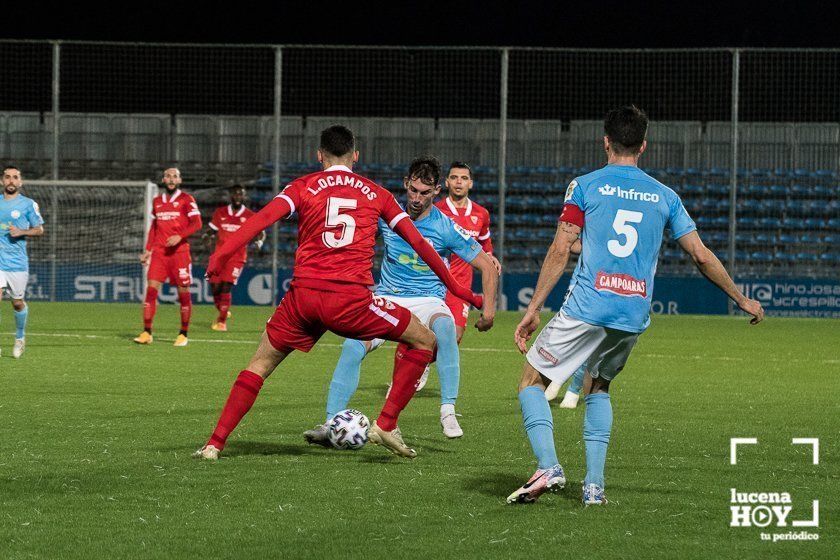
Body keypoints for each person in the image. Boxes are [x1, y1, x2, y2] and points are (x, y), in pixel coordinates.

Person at [506, 105, 764, 506]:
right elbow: (700, 255)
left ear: (605, 141)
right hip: (632, 314)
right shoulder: (665, 195)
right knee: (599, 385)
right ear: (644, 145)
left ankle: (548, 465)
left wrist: (533, 307)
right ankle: (594, 488)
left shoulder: (585, 186)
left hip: (587, 306)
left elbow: (561, 247)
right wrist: (741, 297)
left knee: (531, 381)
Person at [193, 126, 482, 461]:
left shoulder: (301, 187)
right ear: (355, 156)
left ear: (319, 156)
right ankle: (386, 423)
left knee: (259, 364)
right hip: (351, 302)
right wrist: (460, 290)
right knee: (423, 340)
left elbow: (261, 220)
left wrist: (220, 255)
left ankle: (215, 443)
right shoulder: (376, 194)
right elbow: (419, 244)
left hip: (302, 299)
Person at [303, 156, 497, 443]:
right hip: (387, 298)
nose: (417, 199)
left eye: (425, 192)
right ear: (406, 184)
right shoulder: (388, 213)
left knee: (445, 328)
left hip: (428, 300)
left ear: (436, 193)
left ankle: (448, 410)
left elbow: (487, 265)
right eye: (413, 190)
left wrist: (489, 312)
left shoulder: (445, 227)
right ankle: (331, 422)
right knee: (352, 346)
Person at [133, 168, 202, 347]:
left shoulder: (187, 200)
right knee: (151, 291)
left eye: (175, 176)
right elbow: (155, 227)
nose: (171, 179)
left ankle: (183, 333)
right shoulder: (157, 201)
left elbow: (197, 223)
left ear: (180, 180)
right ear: (163, 179)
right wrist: (148, 250)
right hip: (160, 253)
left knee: (183, 294)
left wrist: (180, 236)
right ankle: (147, 332)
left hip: (180, 254)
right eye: (168, 176)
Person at [434, 162, 498, 344]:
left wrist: (490, 256)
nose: (458, 182)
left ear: (470, 183)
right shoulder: (436, 210)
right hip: (434, 284)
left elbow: (485, 242)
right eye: (454, 177)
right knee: (426, 335)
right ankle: (422, 369)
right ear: (446, 182)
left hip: (461, 288)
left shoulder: (481, 214)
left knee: (454, 338)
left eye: (464, 178)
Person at [203, 185, 265, 332]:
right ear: (230, 196)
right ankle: (223, 309)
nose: (238, 197)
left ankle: (221, 321)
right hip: (219, 256)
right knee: (215, 288)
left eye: (240, 195)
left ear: (244, 197)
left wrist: (259, 242)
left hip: (237, 257)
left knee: (226, 286)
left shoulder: (249, 215)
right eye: (235, 194)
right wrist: (206, 237)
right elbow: (211, 230)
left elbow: (260, 232)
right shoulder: (220, 213)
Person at [0, 166, 44, 359]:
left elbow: (39, 230)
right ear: (2, 181)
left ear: (20, 182)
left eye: (15, 177)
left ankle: (20, 338)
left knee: (17, 303)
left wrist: (21, 232)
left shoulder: (28, 204)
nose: (11, 180)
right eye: (7, 177)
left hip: (17, 263)